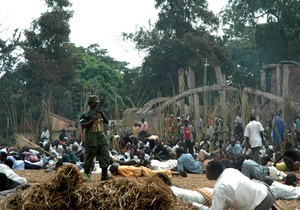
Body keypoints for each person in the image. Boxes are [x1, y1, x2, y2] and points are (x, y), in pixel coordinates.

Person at [198, 159, 274, 210]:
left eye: (207, 171)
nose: (205, 173)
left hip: (260, 204)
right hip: (266, 192)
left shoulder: (219, 187)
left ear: (215, 172)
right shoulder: (230, 170)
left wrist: (196, 205)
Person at [80, 95, 111, 181]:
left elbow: (106, 121)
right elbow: (83, 125)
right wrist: (91, 120)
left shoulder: (100, 113)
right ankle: (86, 174)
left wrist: (101, 112)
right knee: (89, 158)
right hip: (91, 138)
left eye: (98, 103)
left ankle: (104, 175)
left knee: (105, 155)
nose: (97, 104)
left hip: (101, 137)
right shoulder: (85, 115)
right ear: (90, 104)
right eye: (95, 103)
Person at [109, 164, 187, 177]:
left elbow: (129, 175)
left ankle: (178, 173)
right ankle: (176, 172)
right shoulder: (121, 167)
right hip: (142, 169)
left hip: (143, 172)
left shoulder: (120, 170)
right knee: (159, 172)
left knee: (159, 173)